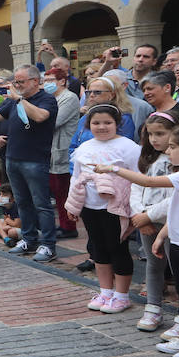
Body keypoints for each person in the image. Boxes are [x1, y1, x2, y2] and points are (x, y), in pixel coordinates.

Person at [99, 125, 179, 357]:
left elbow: (148, 180)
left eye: (172, 147)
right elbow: (178, 207)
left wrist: (113, 169)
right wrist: (161, 236)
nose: (168, 151)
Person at [64, 105, 142, 313]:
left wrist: (137, 208)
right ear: (89, 125)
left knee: (117, 248)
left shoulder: (129, 147)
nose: (102, 127)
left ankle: (122, 295)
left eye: (107, 122)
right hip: (90, 205)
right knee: (98, 248)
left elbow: (139, 178)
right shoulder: (85, 147)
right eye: (96, 123)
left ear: (117, 123)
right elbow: (76, 176)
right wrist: (73, 204)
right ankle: (105, 291)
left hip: (115, 206)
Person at [0, 65, 59, 262]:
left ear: (35, 81)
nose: (16, 85)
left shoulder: (46, 99)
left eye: (20, 82)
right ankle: (29, 239)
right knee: (23, 202)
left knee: (41, 204)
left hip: (35, 159)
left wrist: (18, 98)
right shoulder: (11, 101)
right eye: (15, 82)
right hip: (12, 158)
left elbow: (41, 116)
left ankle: (48, 245)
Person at [130, 107, 179, 332]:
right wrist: (140, 215)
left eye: (160, 134)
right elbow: (137, 186)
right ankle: (153, 308)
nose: (154, 139)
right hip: (147, 221)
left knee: (178, 270)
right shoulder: (148, 157)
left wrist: (148, 215)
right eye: (150, 134)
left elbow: (177, 197)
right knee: (153, 265)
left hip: (172, 222)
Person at [45, 69, 82, 239]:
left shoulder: (69, 98)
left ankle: (69, 226)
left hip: (63, 147)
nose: (47, 83)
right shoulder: (50, 98)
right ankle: (63, 223)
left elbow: (55, 121)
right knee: (57, 190)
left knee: (63, 190)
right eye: (45, 80)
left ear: (62, 81)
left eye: (51, 80)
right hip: (50, 148)